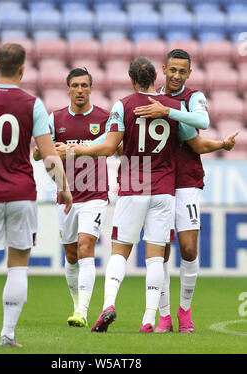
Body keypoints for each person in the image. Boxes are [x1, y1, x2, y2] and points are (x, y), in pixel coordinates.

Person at [56, 56, 237, 333]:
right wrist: (221, 143)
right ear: (158, 76)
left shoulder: (124, 105)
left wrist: (73, 149)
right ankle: (150, 319)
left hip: (134, 184)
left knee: (120, 250)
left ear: (131, 80)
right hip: (164, 186)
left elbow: (108, 145)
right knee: (155, 255)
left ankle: (109, 305)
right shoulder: (175, 106)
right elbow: (195, 140)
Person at [0, 43, 72, 348]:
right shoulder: (33, 104)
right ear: (22, 68)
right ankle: (7, 334)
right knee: (18, 263)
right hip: (21, 194)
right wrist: (63, 187)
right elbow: (49, 158)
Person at [133, 48, 226, 333]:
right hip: (157, 182)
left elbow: (203, 123)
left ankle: (185, 309)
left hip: (185, 180)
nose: (176, 75)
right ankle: (164, 316)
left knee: (188, 249)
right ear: (164, 69)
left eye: (182, 71)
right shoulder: (153, 99)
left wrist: (168, 112)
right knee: (159, 252)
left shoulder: (193, 97)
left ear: (189, 73)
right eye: (172, 70)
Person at [34, 68, 111, 328]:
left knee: (86, 247)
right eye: (75, 85)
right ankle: (76, 302)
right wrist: (47, 150)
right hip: (65, 195)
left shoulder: (104, 117)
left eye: (84, 85)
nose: (80, 90)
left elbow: (118, 148)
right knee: (70, 255)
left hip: (96, 194)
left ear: (91, 88)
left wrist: (84, 149)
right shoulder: (55, 119)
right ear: (67, 88)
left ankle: (82, 311)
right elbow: (37, 154)